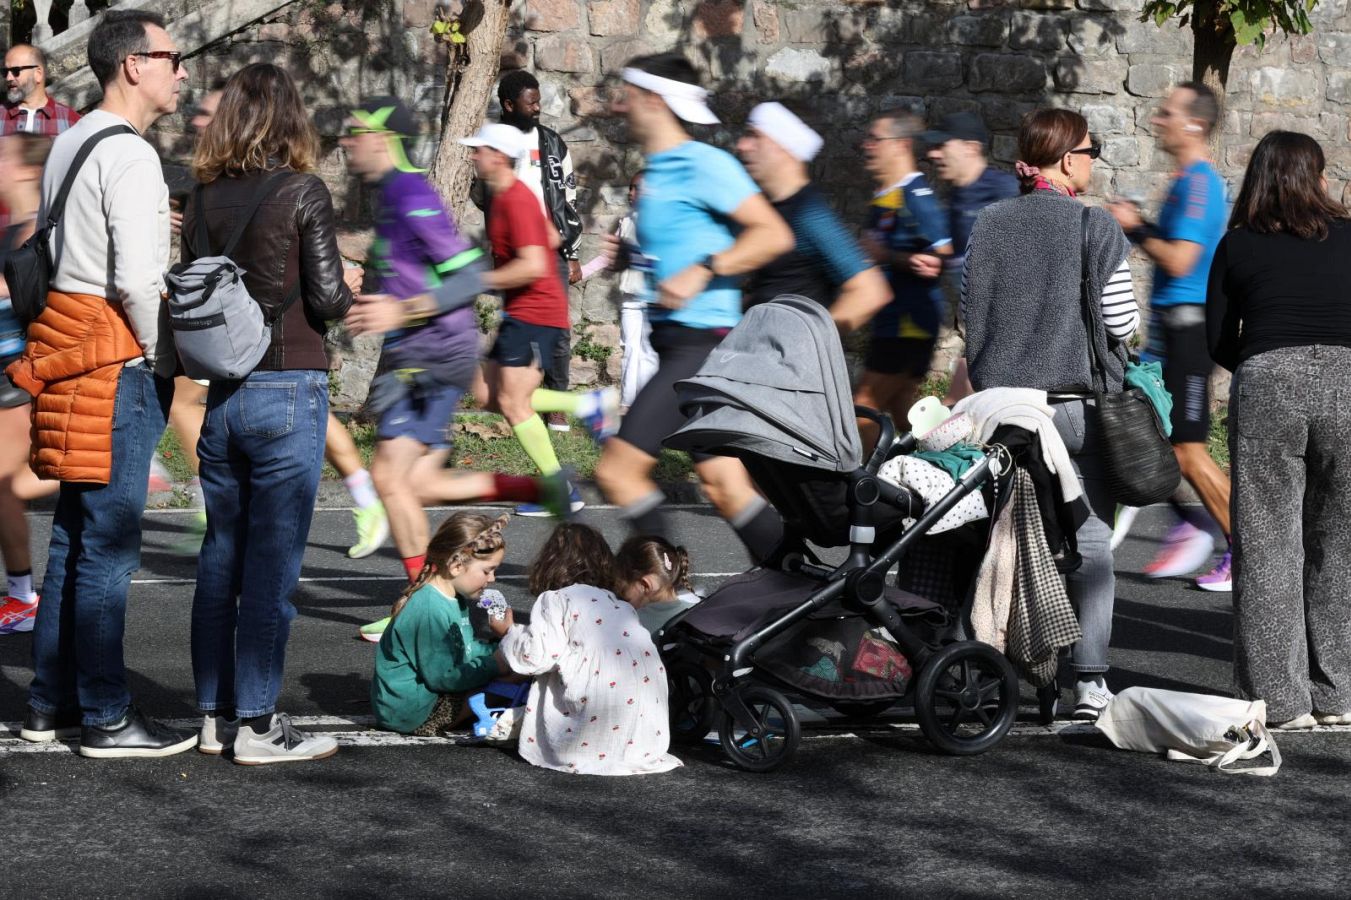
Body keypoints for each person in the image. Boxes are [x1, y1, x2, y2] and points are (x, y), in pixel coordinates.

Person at [11, 10, 195, 756]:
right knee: (108, 551)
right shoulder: (132, 157)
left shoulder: (73, 139)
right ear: (133, 65)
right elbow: (139, 281)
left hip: (65, 348)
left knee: (74, 542)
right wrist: (159, 359)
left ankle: (48, 703)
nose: (181, 70)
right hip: (113, 361)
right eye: (170, 57)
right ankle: (108, 715)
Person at [339, 96, 567, 640]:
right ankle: (533, 490)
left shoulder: (411, 191)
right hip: (413, 352)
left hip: (434, 352)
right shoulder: (394, 195)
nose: (346, 143)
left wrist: (402, 309)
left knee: (392, 479)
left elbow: (466, 274)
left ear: (383, 139)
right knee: (411, 483)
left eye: (355, 132)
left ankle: (416, 606)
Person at [184, 63, 353, 764]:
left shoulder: (200, 199)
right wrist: (355, 283)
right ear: (292, 119)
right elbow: (327, 298)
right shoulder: (302, 191)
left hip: (220, 395)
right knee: (273, 568)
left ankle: (210, 716)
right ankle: (257, 726)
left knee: (220, 558)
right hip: (288, 385)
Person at [961, 108, 1138, 723]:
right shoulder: (1095, 228)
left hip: (999, 411)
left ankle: (990, 663)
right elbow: (1122, 321)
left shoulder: (988, 223)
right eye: (1090, 151)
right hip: (1071, 411)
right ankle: (1089, 682)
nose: (1093, 161)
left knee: (1003, 534)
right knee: (1090, 541)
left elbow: (967, 315)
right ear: (1067, 160)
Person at [595, 53, 793, 562]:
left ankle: (663, 588)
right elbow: (681, 247)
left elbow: (772, 233)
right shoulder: (660, 169)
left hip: (702, 348)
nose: (620, 107)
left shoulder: (705, 164)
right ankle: (802, 584)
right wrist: (632, 259)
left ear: (655, 100)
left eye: (629, 96)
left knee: (618, 471)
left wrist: (705, 269)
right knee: (726, 485)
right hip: (679, 345)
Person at [1207, 131, 1351, 729]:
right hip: (1350, 378)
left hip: (1269, 378)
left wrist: (1266, 363)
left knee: (1268, 542)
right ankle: (1339, 693)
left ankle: (1281, 701)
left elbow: (1216, 336)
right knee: (1340, 543)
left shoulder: (1237, 244)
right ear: (1316, 178)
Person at [1108, 82, 1231, 590]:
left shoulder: (1202, 184)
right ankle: (1197, 525)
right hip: (1169, 334)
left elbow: (1181, 258)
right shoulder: (1185, 181)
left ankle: (1244, 549)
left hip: (1190, 333)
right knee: (1159, 441)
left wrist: (1136, 227)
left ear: (1194, 125)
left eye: (1166, 113)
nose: (1157, 120)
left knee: (1188, 450)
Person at [463, 122, 617, 517]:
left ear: (497, 156)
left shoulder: (515, 199)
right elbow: (550, 236)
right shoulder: (509, 198)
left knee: (514, 404)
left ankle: (559, 491)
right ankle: (586, 406)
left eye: (479, 150)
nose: (473, 155)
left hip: (536, 312)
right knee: (486, 394)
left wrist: (478, 279)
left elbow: (533, 263)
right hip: (522, 310)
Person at [497, 522, 682, 775]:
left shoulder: (557, 599)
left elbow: (536, 658)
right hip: (648, 737)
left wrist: (509, 633)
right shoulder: (620, 605)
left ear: (549, 563)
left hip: (592, 736)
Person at [736, 101, 890, 331]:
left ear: (784, 144)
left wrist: (807, 346)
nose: (742, 145)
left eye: (754, 135)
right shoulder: (771, 208)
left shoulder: (809, 213)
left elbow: (870, 292)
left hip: (782, 364)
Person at [495, 70, 584, 434]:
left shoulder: (552, 143)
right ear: (509, 104)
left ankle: (557, 404)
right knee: (518, 327)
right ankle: (520, 401)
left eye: (539, 101)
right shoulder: (496, 143)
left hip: (552, 250)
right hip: (513, 254)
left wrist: (574, 252)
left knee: (557, 331)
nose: (538, 108)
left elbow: (569, 197)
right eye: (531, 102)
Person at [856, 109, 952, 443]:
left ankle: (854, 491)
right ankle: (953, 458)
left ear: (900, 145)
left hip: (908, 322)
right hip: (893, 320)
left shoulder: (916, 196)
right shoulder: (887, 195)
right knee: (903, 413)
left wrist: (890, 256)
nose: (866, 146)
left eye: (875, 139)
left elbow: (940, 257)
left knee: (863, 409)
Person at [371, 513, 514, 734]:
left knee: (518, 662)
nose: (492, 578)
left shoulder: (452, 597)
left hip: (425, 697)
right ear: (456, 565)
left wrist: (500, 646)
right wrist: (496, 664)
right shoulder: (430, 609)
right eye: (487, 570)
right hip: (413, 713)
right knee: (516, 674)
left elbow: (464, 650)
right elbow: (443, 678)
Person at [0, 132, 58, 635]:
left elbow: (27, 296)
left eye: (3, 157)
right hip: (5, 376)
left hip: (22, 378)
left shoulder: (38, 229)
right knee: (7, 488)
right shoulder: (14, 225)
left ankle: (23, 597)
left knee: (4, 486)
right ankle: (21, 595)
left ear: (24, 170)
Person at [921, 111, 1019, 405]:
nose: (933, 154)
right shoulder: (957, 197)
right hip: (980, 330)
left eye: (942, 146)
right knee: (959, 407)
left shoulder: (1005, 191)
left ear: (970, 148)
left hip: (1007, 330)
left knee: (959, 405)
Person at [614, 170, 658, 410]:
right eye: (630, 188)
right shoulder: (627, 220)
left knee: (648, 351)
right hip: (630, 297)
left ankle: (646, 405)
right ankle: (627, 403)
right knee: (629, 348)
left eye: (636, 188)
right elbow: (610, 257)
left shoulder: (660, 221)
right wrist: (580, 271)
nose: (631, 193)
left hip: (652, 297)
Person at [614, 535, 700, 634]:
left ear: (645, 585)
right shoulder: (698, 611)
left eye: (622, 593)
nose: (619, 599)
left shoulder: (630, 625)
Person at [1, 44, 81, 136]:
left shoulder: (70, 121)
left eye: (16, 71)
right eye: (5, 72)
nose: (8, 78)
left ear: (38, 74)